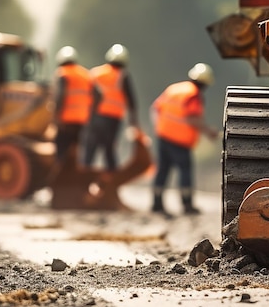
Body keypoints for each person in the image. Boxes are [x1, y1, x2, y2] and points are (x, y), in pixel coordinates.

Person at [150, 62, 218, 216]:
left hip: (163, 136)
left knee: (162, 170)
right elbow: (192, 118)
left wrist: (159, 128)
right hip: (180, 141)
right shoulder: (193, 95)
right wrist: (209, 132)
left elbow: (155, 108)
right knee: (185, 170)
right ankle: (187, 205)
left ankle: (156, 203)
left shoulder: (175, 88)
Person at [83, 43, 138, 171]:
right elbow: (131, 101)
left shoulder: (95, 73)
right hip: (113, 120)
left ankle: (82, 180)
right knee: (109, 150)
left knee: (90, 149)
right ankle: (111, 181)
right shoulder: (123, 76)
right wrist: (133, 122)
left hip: (95, 117)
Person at [51, 46, 93, 168]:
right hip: (82, 120)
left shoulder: (62, 73)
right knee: (77, 150)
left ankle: (61, 175)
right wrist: (91, 113)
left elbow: (60, 96)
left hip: (66, 120)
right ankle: (75, 176)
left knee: (61, 149)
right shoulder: (86, 75)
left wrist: (55, 116)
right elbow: (98, 95)